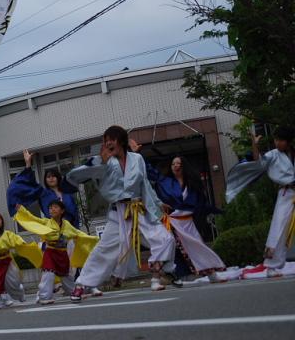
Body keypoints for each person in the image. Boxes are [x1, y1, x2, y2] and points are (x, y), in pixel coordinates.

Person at [64, 125, 175, 301]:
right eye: (106, 140)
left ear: (121, 140)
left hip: (139, 210)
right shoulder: (104, 161)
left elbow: (145, 184)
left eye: (112, 139)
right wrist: (101, 161)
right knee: (103, 250)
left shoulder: (137, 158)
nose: (109, 143)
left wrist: (158, 203)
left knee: (165, 239)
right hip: (118, 213)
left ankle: (155, 276)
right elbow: (84, 173)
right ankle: (81, 285)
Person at [143, 149, 225, 282]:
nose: (176, 166)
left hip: (187, 222)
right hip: (172, 222)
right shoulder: (165, 181)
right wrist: (138, 154)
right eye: (173, 164)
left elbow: (202, 204)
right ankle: (159, 277)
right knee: (167, 246)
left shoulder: (192, 184)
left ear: (184, 166)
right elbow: (150, 171)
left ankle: (212, 274)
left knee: (198, 246)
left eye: (178, 163)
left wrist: (218, 211)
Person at [226, 125, 295, 277]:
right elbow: (259, 162)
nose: (277, 143)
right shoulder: (274, 154)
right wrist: (255, 145)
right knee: (278, 228)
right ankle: (271, 266)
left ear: (288, 141)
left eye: (281, 140)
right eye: (276, 140)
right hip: (286, 193)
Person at [14, 201, 98, 304]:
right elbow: (33, 218)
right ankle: (44, 297)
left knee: (66, 276)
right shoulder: (46, 222)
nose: (52, 209)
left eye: (55, 207)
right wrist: (22, 210)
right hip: (50, 252)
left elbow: (77, 233)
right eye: (50, 208)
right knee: (48, 274)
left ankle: (76, 291)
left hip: (62, 253)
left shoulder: (67, 225)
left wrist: (93, 239)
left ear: (62, 211)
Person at [0, 212, 39, 308]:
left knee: (13, 283)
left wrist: (24, 245)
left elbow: (18, 241)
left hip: (6, 261)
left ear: (2, 221)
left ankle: (19, 293)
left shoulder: (7, 234)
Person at [7, 150, 80, 227]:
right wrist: (28, 163)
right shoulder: (42, 192)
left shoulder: (67, 192)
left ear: (58, 178)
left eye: (53, 176)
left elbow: (75, 213)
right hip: (52, 228)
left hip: (70, 228)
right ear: (45, 180)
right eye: (48, 177)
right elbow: (29, 183)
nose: (51, 178)